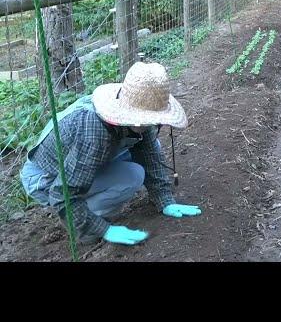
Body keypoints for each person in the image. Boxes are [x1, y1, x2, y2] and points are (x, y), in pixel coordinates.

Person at [20, 61, 201, 246]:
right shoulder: (94, 132)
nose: (154, 125)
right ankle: (83, 221)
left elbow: (149, 155)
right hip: (45, 179)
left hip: (76, 164)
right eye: (150, 120)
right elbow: (62, 192)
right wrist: (102, 229)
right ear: (134, 118)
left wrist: (165, 200)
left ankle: (85, 213)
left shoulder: (137, 122)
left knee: (152, 147)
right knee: (132, 176)